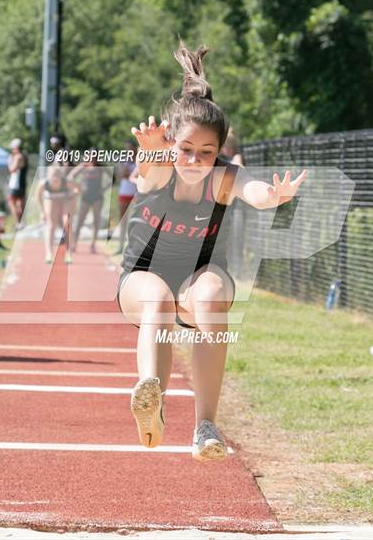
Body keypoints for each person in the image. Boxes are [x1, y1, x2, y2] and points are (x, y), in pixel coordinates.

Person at [117, 42, 308, 462]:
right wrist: (151, 152)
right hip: (145, 276)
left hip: (200, 273)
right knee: (158, 300)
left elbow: (251, 190)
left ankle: (206, 425)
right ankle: (151, 395)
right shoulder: (160, 166)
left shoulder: (223, 176)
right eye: (185, 149)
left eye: (206, 153)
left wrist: (273, 196)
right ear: (172, 144)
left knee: (209, 297)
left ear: (219, 151)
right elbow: (146, 175)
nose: (195, 160)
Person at [36, 166, 80, 264]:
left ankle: (68, 253)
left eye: (57, 175)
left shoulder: (67, 182)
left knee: (67, 223)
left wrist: (74, 196)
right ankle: (49, 253)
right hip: (51, 199)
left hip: (66, 199)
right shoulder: (43, 184)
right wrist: (42, 211)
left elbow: (78, 188)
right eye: (52, 175)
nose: (55, 178)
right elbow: (38, 196)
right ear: (48, 176)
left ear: (61, 176)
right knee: (51, 225)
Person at [70, 155, 110, 253]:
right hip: (85, 197)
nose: (92, 159)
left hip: (97, 197)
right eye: (91, 156)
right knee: (79, 221)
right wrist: (78, 187)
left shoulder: (101, 167)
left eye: (95, 156)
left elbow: (113, 177)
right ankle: (74, 244)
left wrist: (104, 188)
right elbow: (71, 176)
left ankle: (92, 245)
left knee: (96, 221)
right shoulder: (84, 166)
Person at [115, 141, 137, 254]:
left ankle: (132, 248)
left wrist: (130, 174)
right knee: (123, 221)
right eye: (126, 148)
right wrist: (128, 169)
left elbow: (140, 175)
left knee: (134, 221)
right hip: (124, 193)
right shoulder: (123, 160)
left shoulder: (140, 159)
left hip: (137, 194)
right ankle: (120, 246)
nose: (129, 150)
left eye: (130, 148)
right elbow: (122, 174)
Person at [7, 138, 28, 230]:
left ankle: (18, 223)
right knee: (20, 204)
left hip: (15, 184)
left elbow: (12, 169)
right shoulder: (24, 155)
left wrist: (10, 160)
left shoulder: (18, 156)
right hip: (21, 183)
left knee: (12, 204)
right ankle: (20, 223)